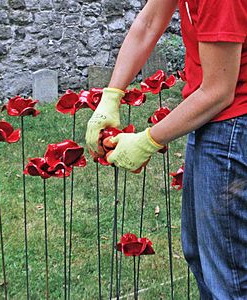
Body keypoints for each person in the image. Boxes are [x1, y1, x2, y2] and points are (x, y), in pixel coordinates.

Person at [85, 0, 247, 299]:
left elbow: (218, 92)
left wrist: (148, 140)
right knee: (200, 253)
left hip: (233, 126)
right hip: (214, 122)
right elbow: (148, 23)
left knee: (229, 276)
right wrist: (111, 95)